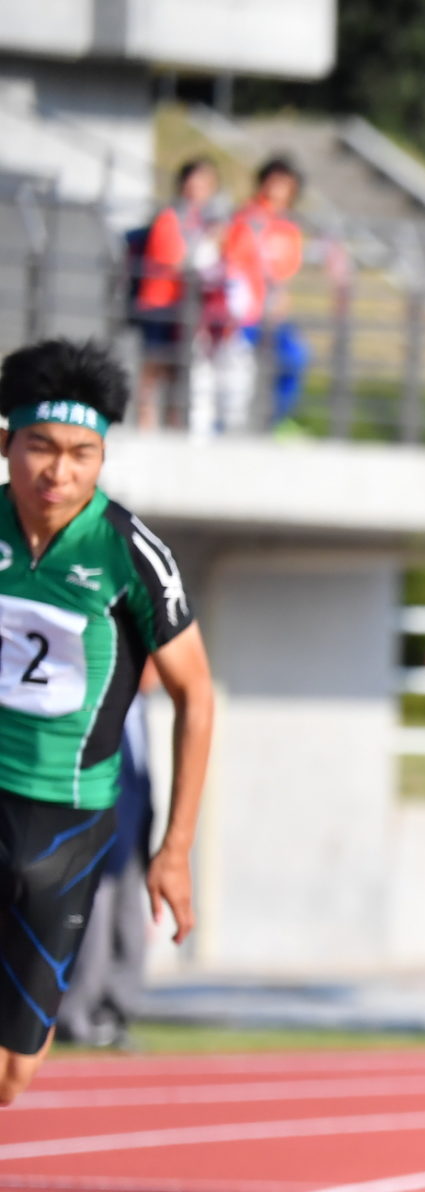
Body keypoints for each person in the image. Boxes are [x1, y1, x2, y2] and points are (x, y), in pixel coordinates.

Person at [0, 338, 215, 1097]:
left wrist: (175, 847)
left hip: (68, 821)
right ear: (5, 444)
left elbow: (197, 694)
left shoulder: (130, 550)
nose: (59, 473)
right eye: (41, 448)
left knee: (14, 1066)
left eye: (82, 454)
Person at [59, 691, 157, 1048]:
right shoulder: (100, 700)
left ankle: (115, 1015)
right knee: (92, 935)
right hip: (97, 838)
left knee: (129, 932)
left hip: (133, 838)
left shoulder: (141, 710)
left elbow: (143, 782)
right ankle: (75, 1018)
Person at [211, 157, 304, 436]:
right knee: (236, 379)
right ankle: (220, 430)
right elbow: (232, 263)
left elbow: (285, 274)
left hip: (272, 314)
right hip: (244, 316)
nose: (277, 189)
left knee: (295, 359)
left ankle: (276, 422)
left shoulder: (288, 229)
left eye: (284, 184)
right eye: (273, 181)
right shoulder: (245, 219)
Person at [132, 159, 224, 432]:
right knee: (154, 367)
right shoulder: (170, 217)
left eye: (206, 183)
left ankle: (172, 425)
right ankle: (145, 425)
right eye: (194, 180)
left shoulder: (205, 221)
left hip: (187, 309)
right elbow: (173, 260)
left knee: (177, 372)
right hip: (161, 303)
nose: (198, 188)